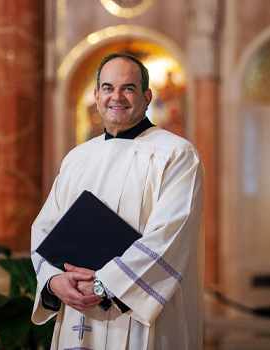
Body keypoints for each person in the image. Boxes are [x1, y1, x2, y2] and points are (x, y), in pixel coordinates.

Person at [31, 53, 205, 350]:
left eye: (128, 88)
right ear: (97, 96)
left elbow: (171, 235)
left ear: (147, 96)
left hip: (140, 317)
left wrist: (104, 284)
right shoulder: (77, 158)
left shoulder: (176, 154)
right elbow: (46, 227)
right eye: (108, 88)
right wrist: (54, 281)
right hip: (77, 309)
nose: (117, 97)